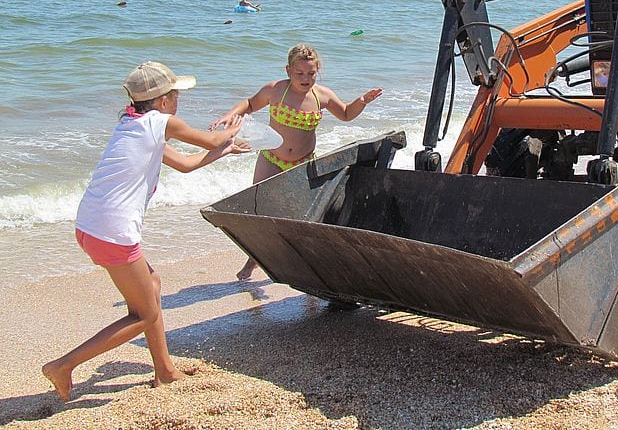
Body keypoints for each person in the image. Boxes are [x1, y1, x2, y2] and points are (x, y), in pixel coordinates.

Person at [41, 61, 249, 402]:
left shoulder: (133, 124)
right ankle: (63, 366)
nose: (179, 100)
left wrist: (223, 151)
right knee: (144, 314)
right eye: (176, 94)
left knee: (151, 285)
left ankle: (164, 370)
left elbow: (184, 164)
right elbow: (212, 135)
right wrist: (235, 126)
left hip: (92, 225)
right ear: (164, 101)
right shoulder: (160, 122)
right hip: (112, 232)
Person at [210, 44, 382, 281]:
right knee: (261, 211)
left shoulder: (321, 95)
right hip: (271, 157)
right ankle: (253, 260)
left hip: (303, 163)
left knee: (300, 217)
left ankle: (305, 264)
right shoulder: (275, 90)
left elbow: (345, 114)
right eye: (299, 74)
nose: (305, 78)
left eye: (311, 74)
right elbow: (249, 104)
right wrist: (231, 115)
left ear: (317, 70)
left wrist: (361, 101)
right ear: (288, 70)